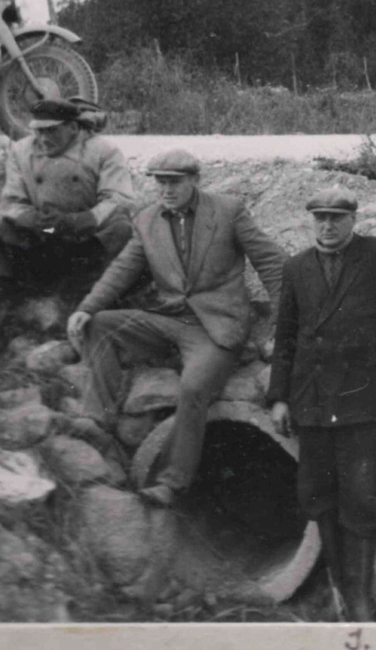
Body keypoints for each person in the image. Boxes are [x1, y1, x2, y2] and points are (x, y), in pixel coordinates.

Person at [66, 149, 286, 507]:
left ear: (194, 180)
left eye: (175, 182)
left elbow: (272, 264)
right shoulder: (146, 220)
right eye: (160, 182)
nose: (166, 189)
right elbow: (121, 270)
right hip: (168, 321)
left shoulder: (228, 211)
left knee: (194, 387)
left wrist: (282, 322)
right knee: (101, 325)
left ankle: (173, 481)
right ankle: (97, 419)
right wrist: (86, 308)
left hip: (217, 327)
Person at [266, 186, 376, 621]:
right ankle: (339, 592)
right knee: (317, 494)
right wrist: (280, 397)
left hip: (366, 399)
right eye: (320, 218)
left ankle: (360, 600)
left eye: (336, 218)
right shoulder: (296, 267)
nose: (327, 226)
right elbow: (285, 336)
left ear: (353, 220)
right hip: (314, 400)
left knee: (362, 497)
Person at [0, 98, 134, 359]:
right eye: (39, 130)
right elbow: (9, 201)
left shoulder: (103, 150)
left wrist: (80, 220)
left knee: (122, 228)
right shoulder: (22, 150)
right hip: (40, 236)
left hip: (83, 239)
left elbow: (119, 199)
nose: (43, 138)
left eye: (51, 130)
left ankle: (89, 314)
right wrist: (29, 218)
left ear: (72, 127)